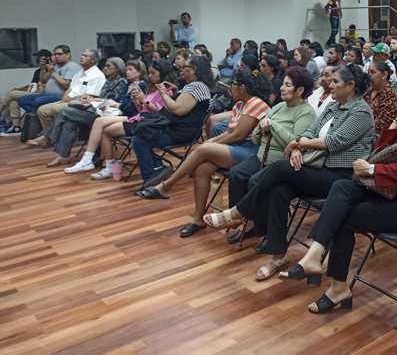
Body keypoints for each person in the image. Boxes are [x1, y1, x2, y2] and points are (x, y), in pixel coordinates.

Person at [272, 67, 397, 315]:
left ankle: (335, 283)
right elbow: (382, 149)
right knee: (342, 188)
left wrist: (372, 171)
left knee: (343, 215)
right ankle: (317, 256)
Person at [202, 64, 375, 283]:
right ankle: (277, 256)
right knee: (279, 190)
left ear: (351, 86)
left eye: (335, 82)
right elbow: (310, 132)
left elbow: (335, 142)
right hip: (317, 167)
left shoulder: (361, 111)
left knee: (281, 169)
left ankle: (239, 212)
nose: (329, 84)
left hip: (339, 175)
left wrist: (298, 144)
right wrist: (296, 147)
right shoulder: (333, 106)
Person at [138, 70, 273, 237]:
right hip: (238, 148)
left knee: (202, 149)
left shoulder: (255, 103)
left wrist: (209, 146)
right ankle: (197, 219)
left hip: (252, 153)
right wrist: (211, 142)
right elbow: (230, 132)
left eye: (233, 85)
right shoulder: (239, 104)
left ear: (243, 88)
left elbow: (239, 135)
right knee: (201, 169)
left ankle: (166, 185)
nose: (230, 89)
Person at [224, 68, 317, 244]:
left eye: (288, 85)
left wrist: (273, 126)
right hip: (261, 156)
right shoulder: (279, 107)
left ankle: (260, 227)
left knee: (255, 181)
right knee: (236, 174)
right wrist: (261, 128)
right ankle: (243, 219)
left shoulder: (306, 112)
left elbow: (296, 143)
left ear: (300, 91)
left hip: (280, 164)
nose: (281, 88)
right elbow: (257, 139)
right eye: (283, 83)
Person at [67, 61, 166, 178]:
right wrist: (136, 102)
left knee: (100, 123)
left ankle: (94, 162)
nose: (150, 76)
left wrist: (141, 100)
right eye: (149, 73)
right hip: (137, 117)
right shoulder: (147, 87)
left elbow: (159, 113)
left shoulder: (161, 89)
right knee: (99, 122)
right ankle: (93, 161)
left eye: (152, 73)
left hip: (144, 121)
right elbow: (140, 109)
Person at [131, 56, 213, 184]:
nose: (181, 68)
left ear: (193, 69)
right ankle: (157, 168)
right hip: (176, 128)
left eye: (185, 66)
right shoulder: (193, 86)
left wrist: (163, 93)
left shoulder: (197, 87)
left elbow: (177, 109)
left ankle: (150, 178)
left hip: (181, 132)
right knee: (140, 132)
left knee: (140, 139)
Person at [45, 57, 130, 167]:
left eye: (109, 66)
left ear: (118, 68)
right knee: (69, 122)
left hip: (107, 116)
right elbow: (101, 97)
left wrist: (95, 100)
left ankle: (49, 137)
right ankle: (63, 156)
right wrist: (89, 99)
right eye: (105, 65)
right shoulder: (108, 80)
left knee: (65, 111)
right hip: (97, 109)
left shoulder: (122, 82)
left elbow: (115, 102)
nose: (105, 68)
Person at [26, 49, 104, 142]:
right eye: (82, 55)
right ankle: (51, 136)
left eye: (86, 56)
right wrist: (64, 99)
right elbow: (70, 88)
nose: (82, 57)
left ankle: (50, 137)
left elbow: (91, 95)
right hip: (68, 100)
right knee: (42, 110)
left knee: (55, 109)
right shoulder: (79, 73)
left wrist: (69, 99)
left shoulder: (97, 75)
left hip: (83, 104)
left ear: (93, 60)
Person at [13, 45, 82, 135]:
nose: (56, 56)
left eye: (59, 54)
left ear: (68, 55)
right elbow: (43, 80)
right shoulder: (55, 66)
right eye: (55, 54)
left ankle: (50, 129)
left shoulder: (72, 66)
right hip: (47, 95)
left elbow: (66, 85)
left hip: (61, 96)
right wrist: (43, 68)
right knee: (23, 100)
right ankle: (46, 123)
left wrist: (53, 72)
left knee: (38, 101)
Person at [0, 49, 52, 136]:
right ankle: (16, 127)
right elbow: (32, 85)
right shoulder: (38, 71)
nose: (38, 59)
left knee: (11, 94)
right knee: (13, 100)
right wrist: (19, 89)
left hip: (41, 94)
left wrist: (44, 69)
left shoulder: (50, 69)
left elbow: (44, 85)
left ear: (47, 58)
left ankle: (1, 117)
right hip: (33, 92)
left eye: (40, 57)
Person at [364, 62, 397, 134]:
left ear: (384, 75)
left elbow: (380, 127)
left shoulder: (391, 97)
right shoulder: (368, 90)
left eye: (372, 72)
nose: (369, 75)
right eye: (368, 72)